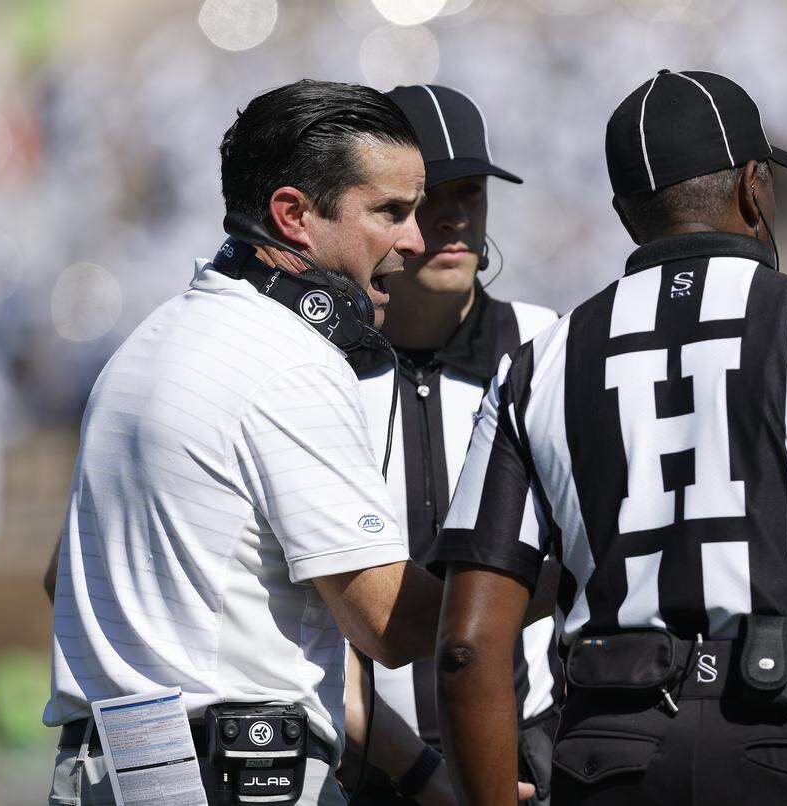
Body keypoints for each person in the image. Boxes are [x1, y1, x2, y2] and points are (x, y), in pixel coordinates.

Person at [429, 70, 787, 805]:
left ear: (626, 216)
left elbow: (467, 645)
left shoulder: (538, 364)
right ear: (753, 187)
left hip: (612, 753)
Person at [43, 79, 450, 806]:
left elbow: (63, 583)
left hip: (105, 776)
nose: (415, 241)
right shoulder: (288, 362)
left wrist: (422, 776)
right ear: (292, 214)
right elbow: (392, 622)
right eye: (390, 211)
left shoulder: (144, 345)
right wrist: (564, 576)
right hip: (232, 778)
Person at [339, 85, 562, 805]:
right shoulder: (318, 366)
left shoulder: (547, 344)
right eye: (430, 195)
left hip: (529, 747)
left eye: (471, 192)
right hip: (369, 754)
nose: (456, 218)